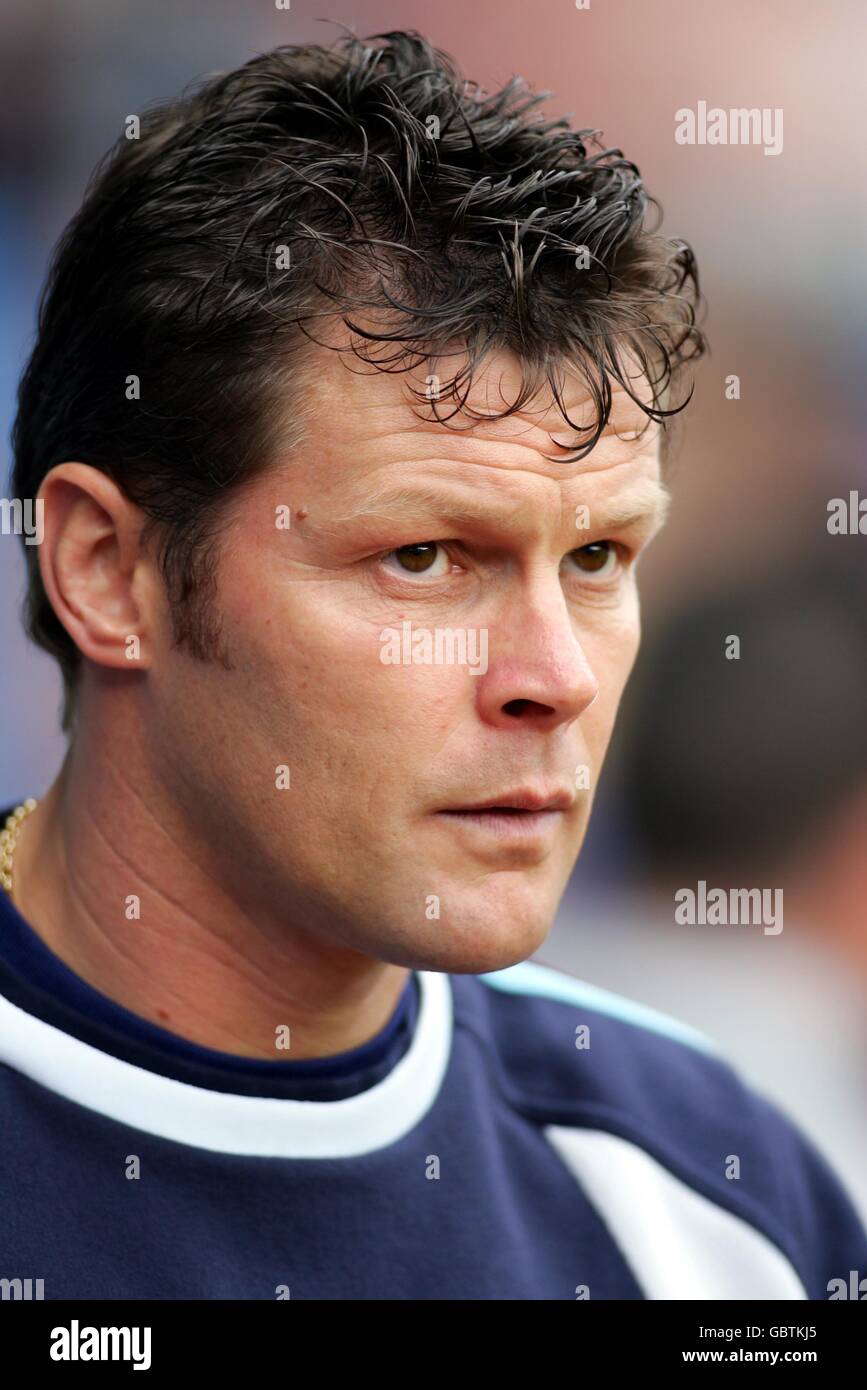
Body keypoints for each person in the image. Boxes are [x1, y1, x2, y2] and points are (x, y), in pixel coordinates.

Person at [1, 29, 864, 1301]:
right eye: (423, 556)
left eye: (598, 559)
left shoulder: (722, 1203)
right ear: (106, 572)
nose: (553, 677)